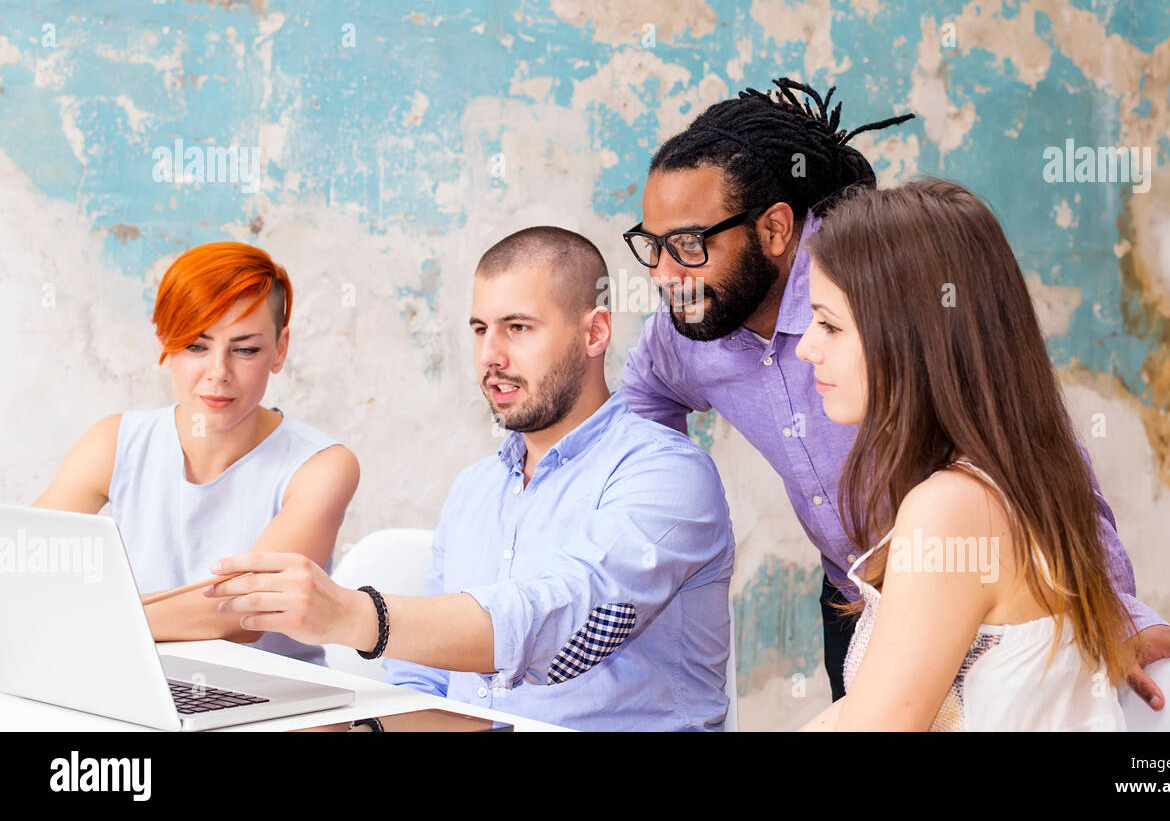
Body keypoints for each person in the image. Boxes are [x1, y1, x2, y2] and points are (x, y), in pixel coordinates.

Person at [619, 78, 1170, 709]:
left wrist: (1117, 612)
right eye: (652, 247)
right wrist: (662, 520)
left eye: (688, 246)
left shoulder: (873, 281)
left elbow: (1035, 453)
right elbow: (643, 403)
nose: (664, 274)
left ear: (774, 229)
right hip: (863, 599)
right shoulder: (690, 322)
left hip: (981, 601)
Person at [204, 227, 735, 731]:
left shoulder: (668, 474)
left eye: (518, 328)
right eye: (480, 329)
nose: (490, 356)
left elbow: (566, 622)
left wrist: (353, 614)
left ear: (594, 332)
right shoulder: (476, 489)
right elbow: (424, 679)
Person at [796, 178, 1143, 730]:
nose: (805, 346)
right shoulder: (1017, 473)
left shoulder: (953, 507)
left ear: (913, 336)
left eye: (830, 324)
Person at [34, 241, 359, 664]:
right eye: (196, 346)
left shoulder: (322, 466)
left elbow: (237, 615)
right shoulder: (114, 443)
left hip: (277, 706)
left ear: (280, 349)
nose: (218, 374)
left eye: (245, 349)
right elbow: (25, 562)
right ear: (166, 343)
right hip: (139, 679)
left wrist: (79, 613)